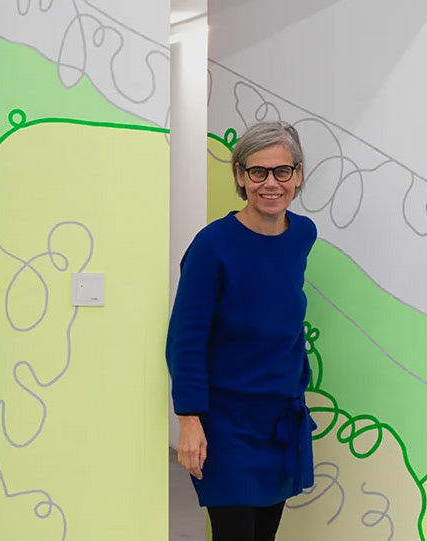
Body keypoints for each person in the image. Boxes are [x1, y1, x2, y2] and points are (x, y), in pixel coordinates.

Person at [166, 120, 317, 541]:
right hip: (226, 425)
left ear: (298, 175)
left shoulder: (302, 235)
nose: (271, 183)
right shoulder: (212, 246)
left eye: (282, 171)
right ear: (240, 175)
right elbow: (186, 340)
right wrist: (189, 420)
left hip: (281, 420)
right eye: (258, 171)